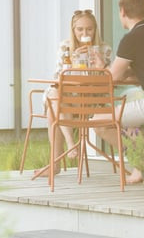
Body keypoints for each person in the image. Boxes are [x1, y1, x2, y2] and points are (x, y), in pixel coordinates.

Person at [98, 0, 144, 184]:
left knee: (99, 122)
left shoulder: (131, 39)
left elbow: (112, 77)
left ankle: (143, 164)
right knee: (130, 122)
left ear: (122, 11)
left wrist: (101, 67)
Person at [34, 9, 103, 177]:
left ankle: (55, 164)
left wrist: (98, 65)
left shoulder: (103, 49)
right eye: (80, 29)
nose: (84, 33)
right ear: (73, 30)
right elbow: (58, 77)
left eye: (89, 29)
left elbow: (108, 80)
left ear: (95, 29)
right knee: (55, 98)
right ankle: (72, 143)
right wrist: (72, 62)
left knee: (53, 111)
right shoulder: (65, 47)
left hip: (89, 100)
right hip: (65, 98)